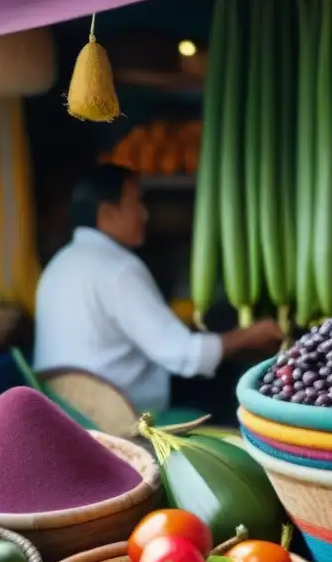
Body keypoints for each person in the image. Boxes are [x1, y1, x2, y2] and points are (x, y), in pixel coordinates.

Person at [34, 164, 283, 415]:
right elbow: (183, 355)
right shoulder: (117, 269)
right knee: (229, 384)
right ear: (108, 213)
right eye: (136, 203)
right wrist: (248, 336)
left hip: (65, 408)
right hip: (117, 410)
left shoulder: (58, 264)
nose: (145, 214)